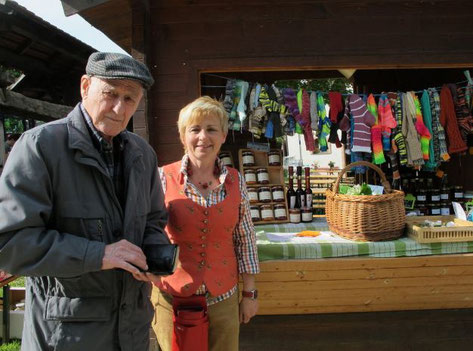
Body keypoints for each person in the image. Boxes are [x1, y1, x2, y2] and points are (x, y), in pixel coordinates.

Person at [0, 52, 170, 351]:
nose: (119, 108)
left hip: (131, 331)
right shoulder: (40, 146)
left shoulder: (143, 154)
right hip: (65, 336)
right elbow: (10, 243)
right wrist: (98, 254)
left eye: (130, 99)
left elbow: (154, 220)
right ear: (85, 86)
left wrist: (155, 254)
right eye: (110, 94)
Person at [150, 96, 260, 351]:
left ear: (223, 136)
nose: (203, 137)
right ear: (182, 136)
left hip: (223, 299)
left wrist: (249, 294)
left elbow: (245, 239)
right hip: (171, 299)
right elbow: (148, 232)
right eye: (195, 129)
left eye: (211, 129)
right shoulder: (162, 177)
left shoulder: (236, 181)